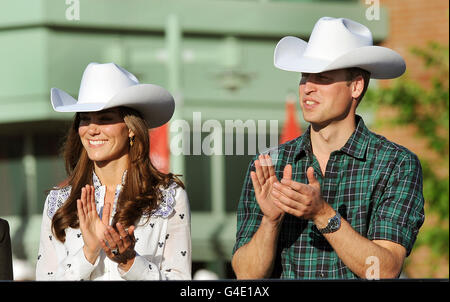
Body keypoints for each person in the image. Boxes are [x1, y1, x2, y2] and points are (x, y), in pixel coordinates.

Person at [231, 17, 425, 279]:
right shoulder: (269, 164)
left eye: (321, 78)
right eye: (304, 76)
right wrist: (271, 221)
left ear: (356, 86)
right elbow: (246, 277)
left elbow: (385, 269)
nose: (307, 88)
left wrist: (322, 214)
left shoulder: (395, 163)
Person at [36, 62, 191, 280]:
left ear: (130, 129)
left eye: (105, 119)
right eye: (85, 118)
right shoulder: (59, 201)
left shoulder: (168, 196)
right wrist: (88, 252)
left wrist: (130, 261)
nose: (92, 129)